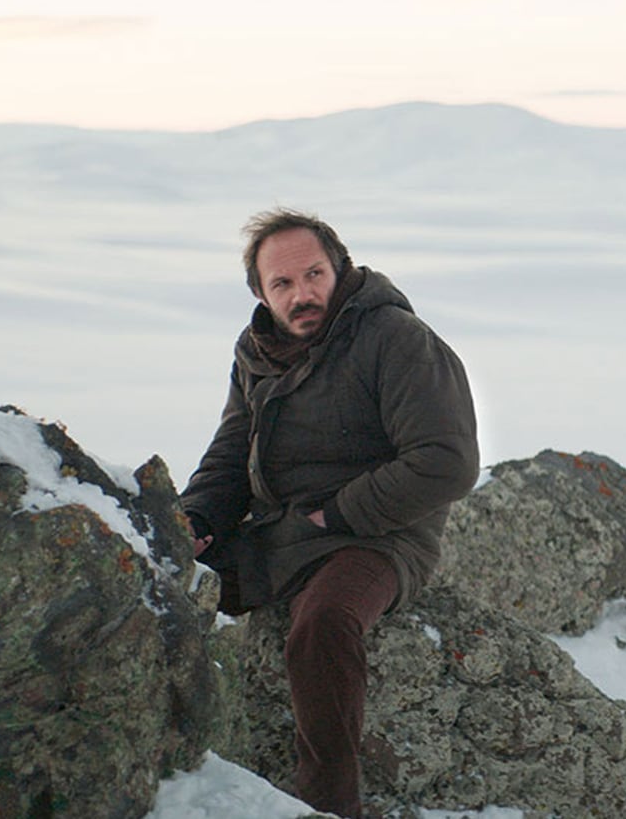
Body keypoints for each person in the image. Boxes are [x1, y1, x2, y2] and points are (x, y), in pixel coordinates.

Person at [180, 208, 479, 818]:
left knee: (321, 625)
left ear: (339, 269)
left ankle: (329, 806)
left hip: (379, 537)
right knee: (166, 588)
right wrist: (196, 522)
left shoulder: (395, 338)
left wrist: (337, 515)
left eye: (313, 274)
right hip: (284, 531)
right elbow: (232, 452)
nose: (302, 294)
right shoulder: (258, 351)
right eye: (282, 284)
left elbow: (447, 461)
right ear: (262, 294)